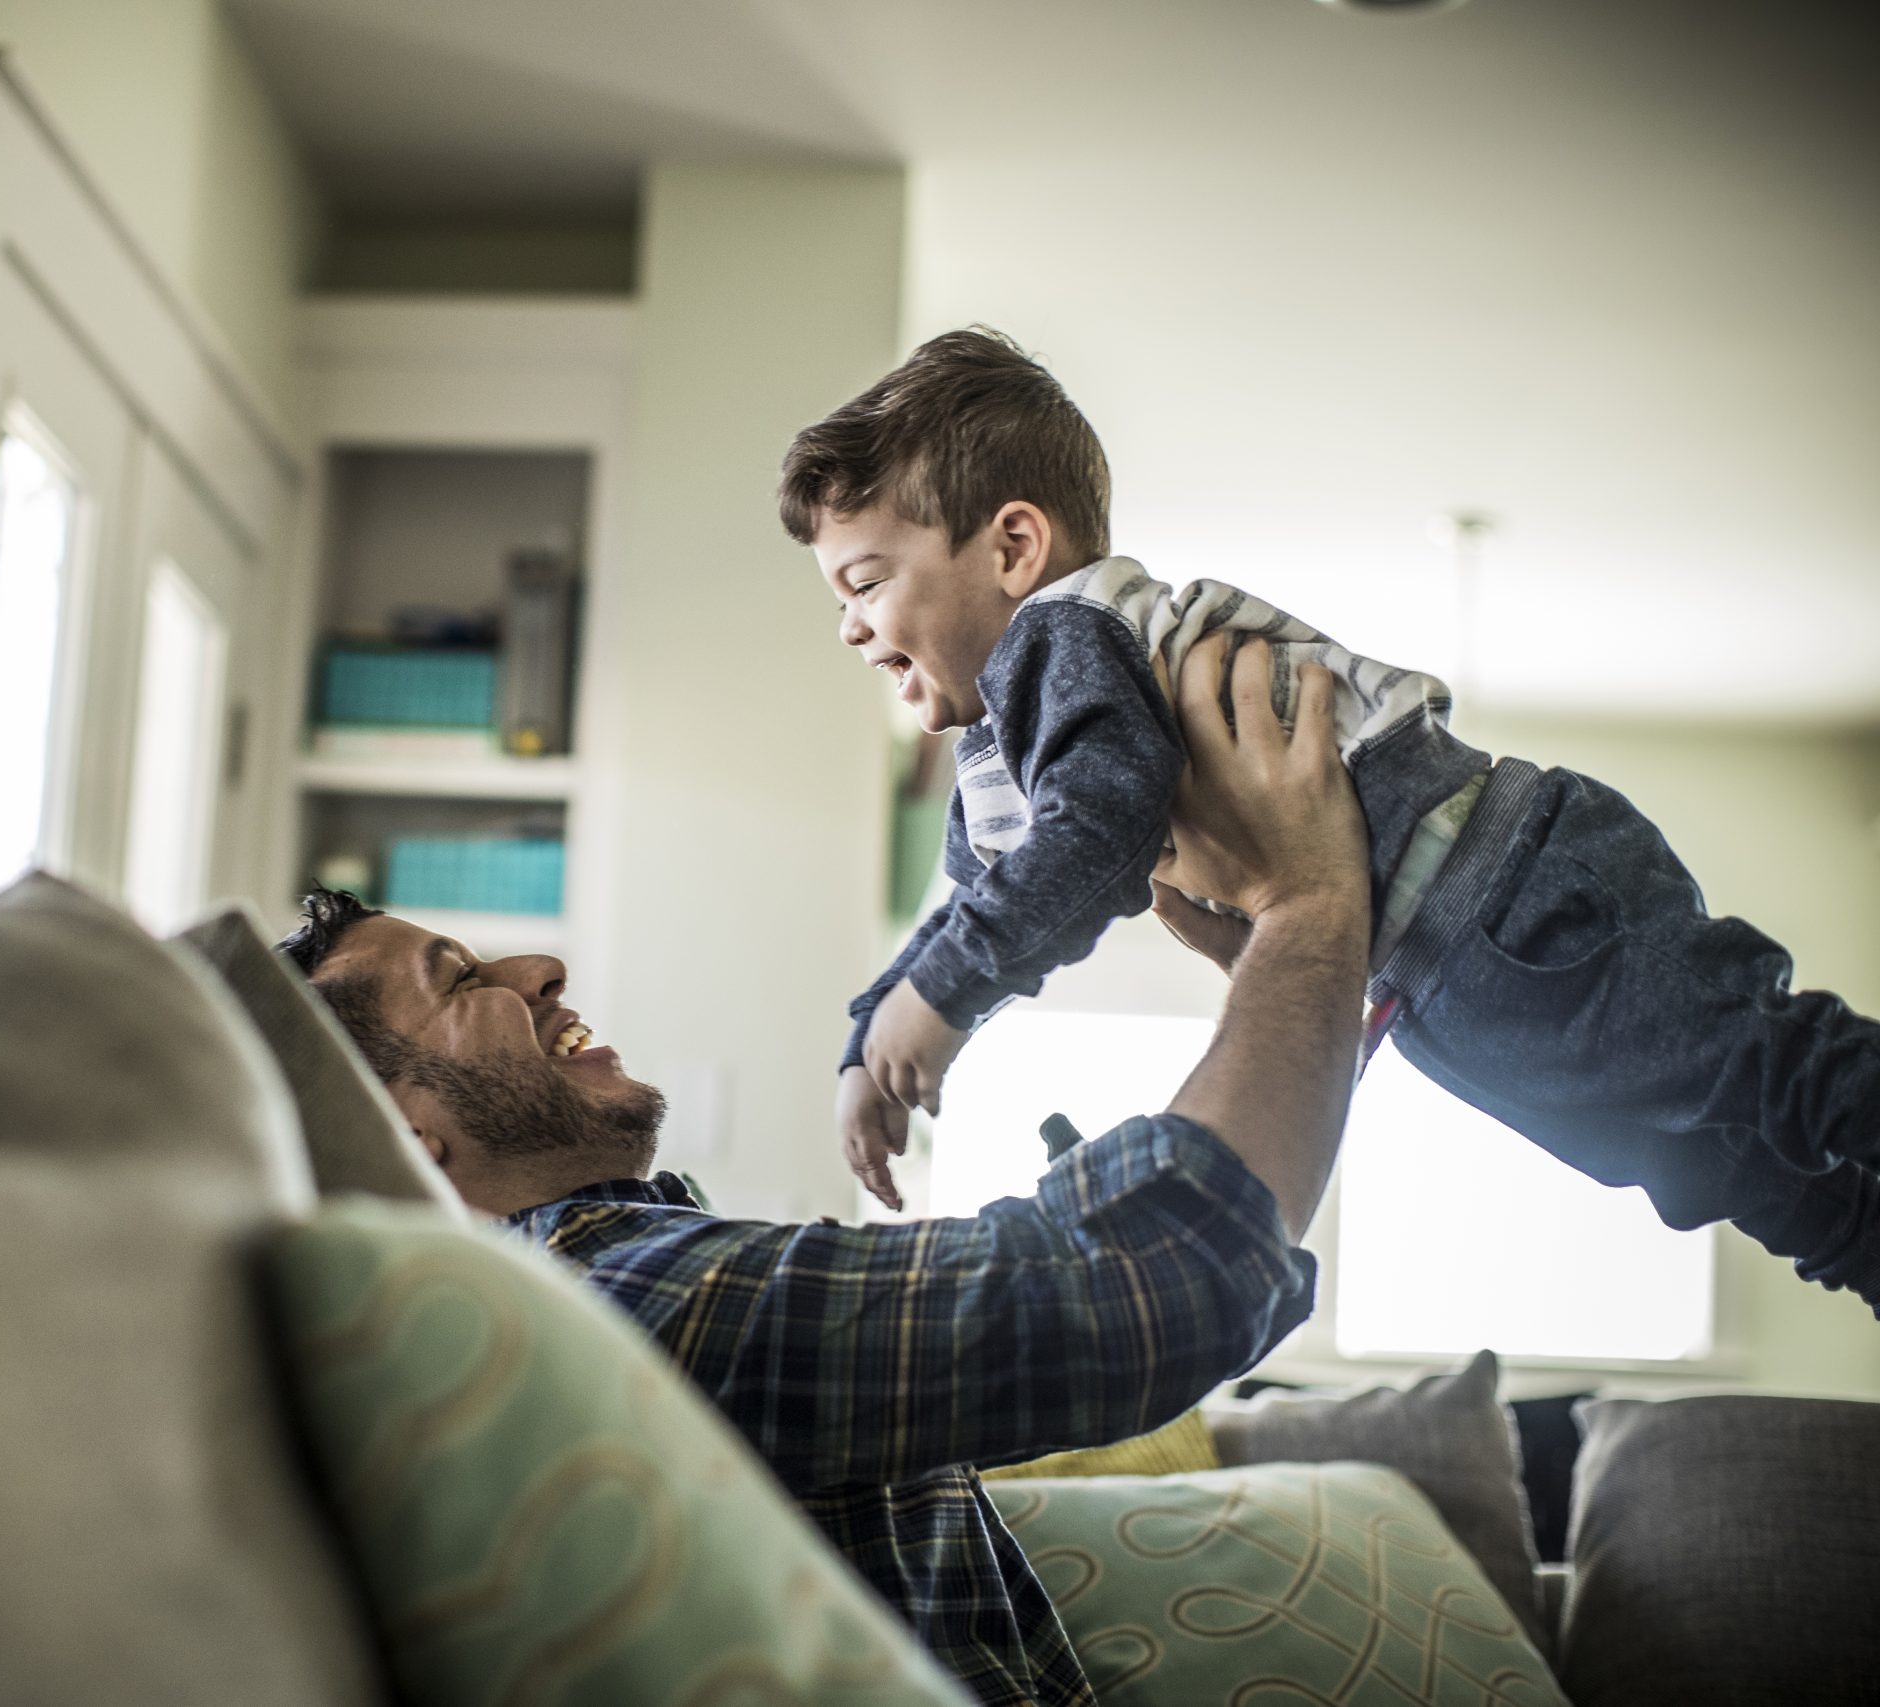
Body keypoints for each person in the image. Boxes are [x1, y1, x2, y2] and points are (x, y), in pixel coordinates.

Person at [281, 637, 1371, 1707]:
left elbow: (1164, 1270)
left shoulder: (617, 1287)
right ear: (402, 1143)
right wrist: (1312, 904)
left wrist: (1297, 986)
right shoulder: (618, 1301)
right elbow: (1153, 1283)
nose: (540, 969)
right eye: (462, 979)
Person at [785, 326, 1880, 1307]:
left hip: (1509, 894)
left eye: (868, 582)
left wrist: (937, 1000)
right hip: (1440, 968)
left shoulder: (1064, 639)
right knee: (1706, 1163)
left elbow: (1096, 838)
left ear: (1013, 549)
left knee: (1771, 1070)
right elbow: (981, 900)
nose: (848, 626)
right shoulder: (1001, 734)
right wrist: (871, 1034)